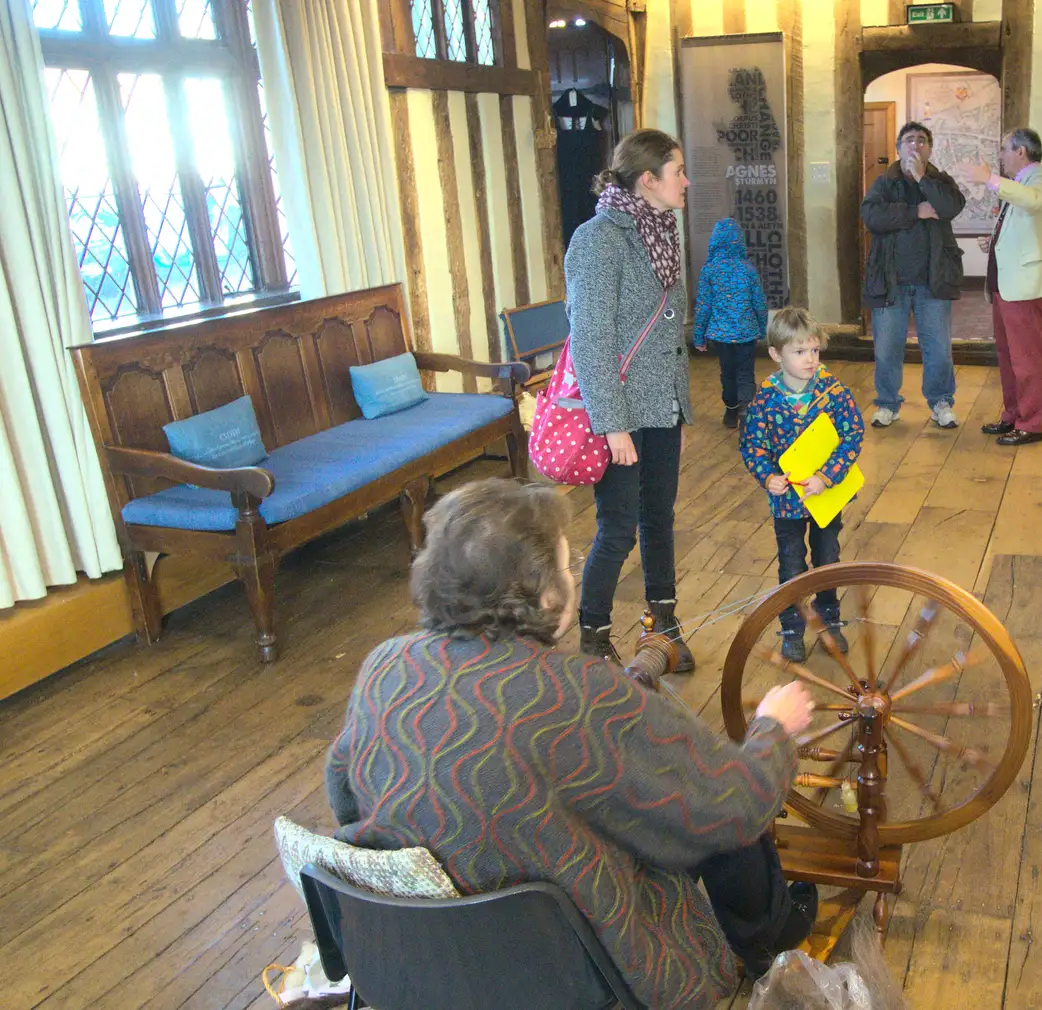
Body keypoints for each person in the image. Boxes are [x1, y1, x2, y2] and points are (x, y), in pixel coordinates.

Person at [325, 479, 819, 1010]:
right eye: (567, 565)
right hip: (564, 977)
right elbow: (731, 808)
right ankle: (773, 931)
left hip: (406, 968)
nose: (572, 578)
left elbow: (345, 794)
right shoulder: (579, 693)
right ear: (543, 595)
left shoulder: (385, 665)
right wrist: (773, 728)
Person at [565, 128, 695, 669]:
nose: (686, 181)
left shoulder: (660, 229)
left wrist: (676, 408)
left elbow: (664, 330)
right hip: (618, 413)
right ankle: (593, 638)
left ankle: (662, 622)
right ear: (648, 179)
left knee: (659, 518)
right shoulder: (598, 239)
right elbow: (591, 340)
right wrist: (612, 425)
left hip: (660, 405)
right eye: (678, 171)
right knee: (618, 528)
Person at [739, 308, 865, 662]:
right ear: (776, 354)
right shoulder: (764, 398)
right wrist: (767, 477)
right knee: (791, 565)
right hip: (787, 504)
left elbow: (853, 433)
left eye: (814, 351)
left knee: (828, 560)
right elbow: (753, 446)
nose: (810, 359)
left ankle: (829, 622)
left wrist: (827, 476)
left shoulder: (832, 389)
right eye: (800, 352)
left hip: (826, 497)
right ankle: (792, 628)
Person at [861, 121, 966, 431]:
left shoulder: (939, 181)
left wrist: (922, 177)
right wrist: (913, 212)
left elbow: (951, 206)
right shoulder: (883, 183)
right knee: (887, 346)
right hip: (890, 281)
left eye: (922, 140)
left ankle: (941, 402)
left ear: (930, 149)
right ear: (898, 148)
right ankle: (887, 404)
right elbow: (871, 216)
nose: (916, 145)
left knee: (937, 347)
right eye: (909, 140)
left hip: (933, 281)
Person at [964, 128, 1042, 447]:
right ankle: (1013, 416)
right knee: (1008, 356)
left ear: (1021, 151)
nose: (1001, 156)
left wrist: (989, 178)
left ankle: (1032, 423)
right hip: (1005, 286)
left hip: (1024, 288)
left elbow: (1033, 204)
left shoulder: (1041, 179)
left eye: (1005, 149)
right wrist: (993, 241)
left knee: (1027, 358)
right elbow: (1021, 225)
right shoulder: (1019, 183)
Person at [694, 217, 769, 428]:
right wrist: (762, 328)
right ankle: (746, 411)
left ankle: (730, 410)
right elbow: (759, 304)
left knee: (727, 372)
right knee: (746, 373)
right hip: (747, 333)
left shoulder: (709, 270)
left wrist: (699, 337)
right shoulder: (748, 269)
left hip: (721, 335)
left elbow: (703, 306)